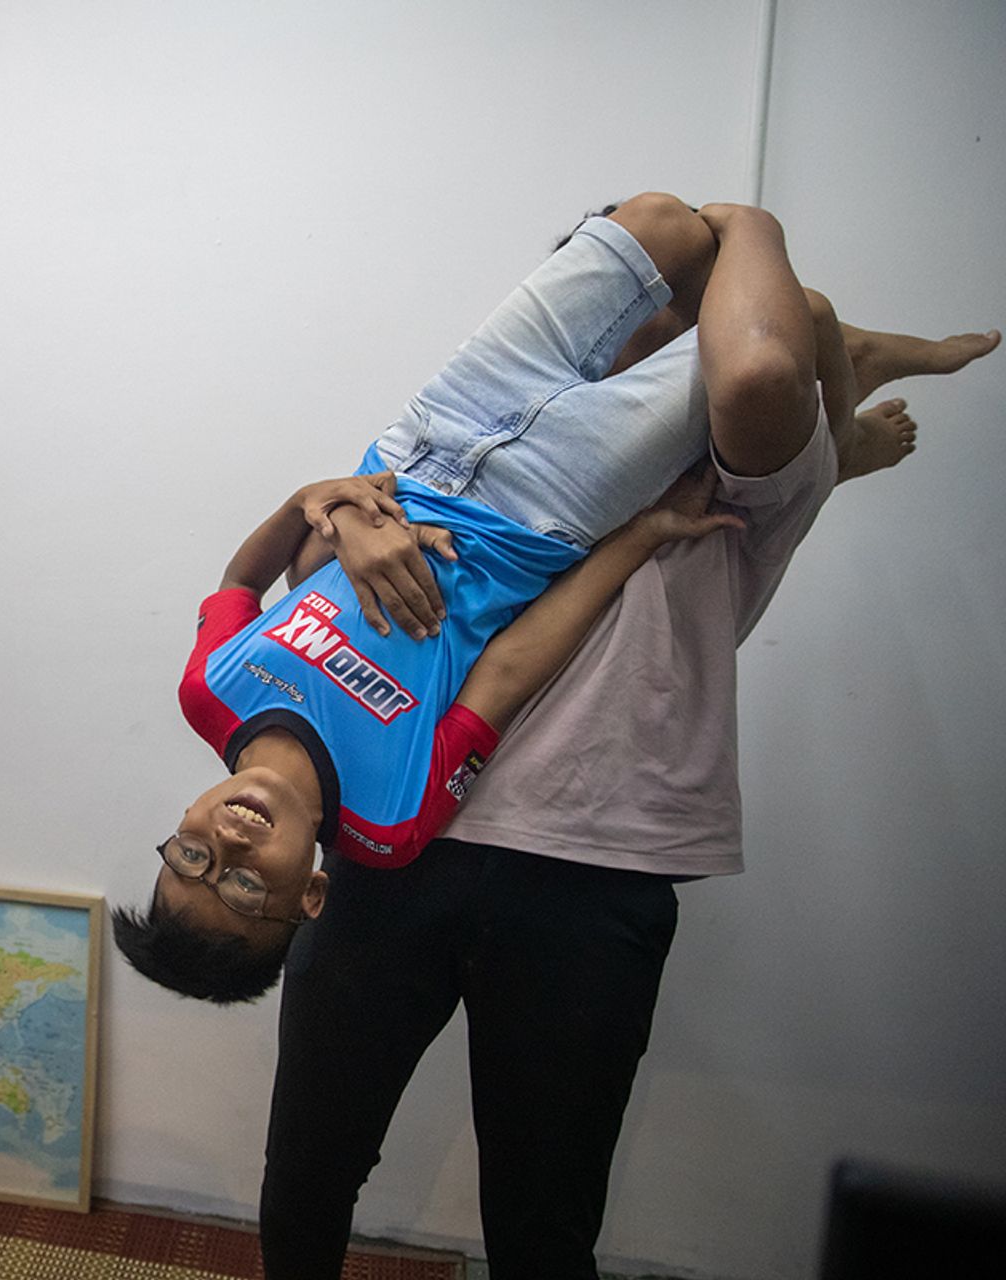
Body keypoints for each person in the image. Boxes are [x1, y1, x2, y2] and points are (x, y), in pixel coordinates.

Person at [255, 206, 997, 1276]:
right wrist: (336, 511)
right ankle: (853, 405)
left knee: (545, 1215)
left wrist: (830, 433)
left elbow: (771, 359)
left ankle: (852, 404)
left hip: (594, 873)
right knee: (307, 1170)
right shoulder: (490, 448)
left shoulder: (735, 486)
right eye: (632, 306)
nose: (650, 325)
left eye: (682, 315)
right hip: (392, 849)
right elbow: (301, 612)